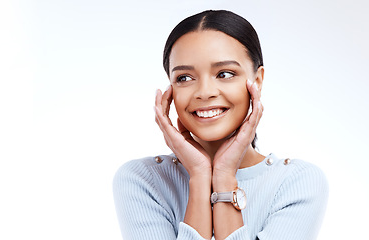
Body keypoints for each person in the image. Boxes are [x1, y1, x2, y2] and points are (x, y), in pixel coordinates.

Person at [113, 10, 328, 240]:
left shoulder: (298, 184)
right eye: (184, 78)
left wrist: (225, 177)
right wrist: (199, 176)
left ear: (257, 80)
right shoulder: (143, 180)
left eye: (224, 73)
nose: (205, 92)